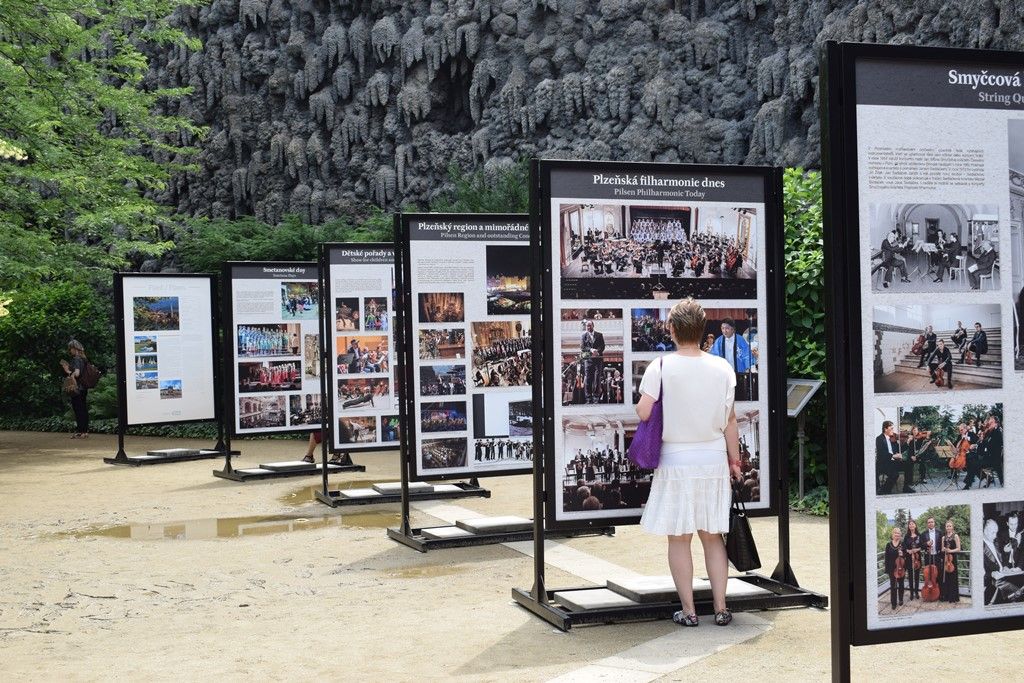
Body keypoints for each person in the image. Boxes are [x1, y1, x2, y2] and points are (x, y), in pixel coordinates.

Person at [636, 298, 743, 627]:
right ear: (703, 330)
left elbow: (643, 412)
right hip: (713, 459)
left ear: (671, 329)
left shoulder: (660, 366)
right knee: (713, 536)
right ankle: (721, 608)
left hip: (675, 460)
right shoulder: (722, 368)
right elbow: (730, 420)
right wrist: (735, 461)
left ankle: (690, 611)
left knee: (679, 537)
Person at [709, 317, 755, 401]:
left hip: (738, 373)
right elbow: (714, 356)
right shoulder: (719, 341)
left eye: (727, 328)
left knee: (739, 396)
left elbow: (746, 354)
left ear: (733, 329)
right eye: (722, 328)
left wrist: (749, 366)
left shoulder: (740, 340)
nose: (724, 331)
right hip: (724, 375)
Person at [60, 339, 90, 438]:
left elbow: (77, 373)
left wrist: (67, 371)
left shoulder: (76, 359)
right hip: (84, 387)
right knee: (83, 409)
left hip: (77, 388)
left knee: (78, 409)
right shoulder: (84, 359)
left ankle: (80, 431)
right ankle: (84, 431)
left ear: (75, 348)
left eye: (70, 349)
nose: (70, 351)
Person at [580, 320, 605, 404]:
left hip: (598, 360)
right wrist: (591, 350)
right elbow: (582, 347)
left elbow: (602, 346)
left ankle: (596, 398)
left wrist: (597, 351)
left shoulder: (599, 335)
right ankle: (588, 398)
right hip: (588, 360)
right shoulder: (584, 336)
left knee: (597, 379)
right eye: (587, 326)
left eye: (590, 325)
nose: (588, 327)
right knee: (588, 379)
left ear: (593, 326)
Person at [875, 420, 901, 494]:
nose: (893, 430)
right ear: (885, 429)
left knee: (908, 464)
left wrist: (904, 442)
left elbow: (897, 449)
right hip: (883, 463)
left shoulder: (892, 439)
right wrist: (893, 456)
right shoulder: (879, 439)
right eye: (891, 428)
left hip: (892, 462)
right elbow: (882, 453)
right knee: (895, 474)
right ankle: (884, 490)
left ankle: (906, 487)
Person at [884, 527, 906, 609]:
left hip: (901, 568)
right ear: (892, 534)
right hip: (891, 568)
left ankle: (900, 599)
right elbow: (886, 557)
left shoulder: (902, 544)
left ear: (900, 535)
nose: (897, 534)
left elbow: (906, 555)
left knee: (901, 584)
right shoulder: (888, 545)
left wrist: (902, 554)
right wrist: (887, 569)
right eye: (895, 533)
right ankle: (893, 603)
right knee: (893, 585)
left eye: (898, 533)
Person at [941, 519, 962, 603]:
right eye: (947, 526)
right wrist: (944, 549)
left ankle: (953, 597)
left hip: (952, 559)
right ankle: (946, 596)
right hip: (946, 560)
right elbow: (942, 548)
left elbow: (959, 549)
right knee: (946, 578)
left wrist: (950, 550)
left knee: (953, 578)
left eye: (950, 526)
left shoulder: (955, 536)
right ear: (945, 527)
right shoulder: (943, 537)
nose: (948, 527)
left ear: (952, 527)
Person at [903, 519, 922, 601]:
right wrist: (908, 551)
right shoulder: (906, 536)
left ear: (915, 525)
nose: (911, 525)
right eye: (910, 524)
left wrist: (917, 549)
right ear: (908, 526)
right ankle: (911, 593)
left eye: (912, 524)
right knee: (910, 576)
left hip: (917, 558)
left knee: (917, 576)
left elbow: (922, 546)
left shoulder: (919, 535)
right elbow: (904, 547)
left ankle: (916, 592)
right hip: (909, 558)